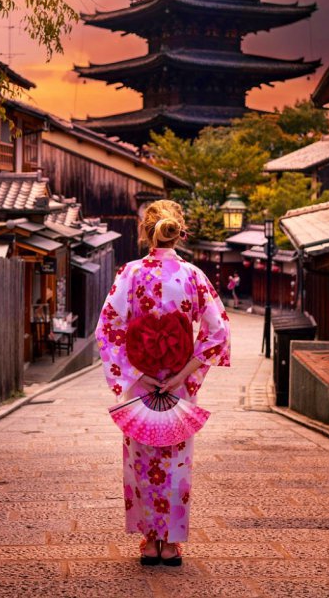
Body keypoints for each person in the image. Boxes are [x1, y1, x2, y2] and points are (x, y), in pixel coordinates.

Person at [95, 199, 231, 566]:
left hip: (142, 386)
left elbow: (107, 330)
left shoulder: (130, 274)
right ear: (180, 231)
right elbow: (218, 332)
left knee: (142, 462)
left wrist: (139, 373)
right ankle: (170, 544)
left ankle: (149, 541)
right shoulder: (194, 277)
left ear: (145, 232)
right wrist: (180, 376)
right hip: (178, 387)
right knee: (175, 463)